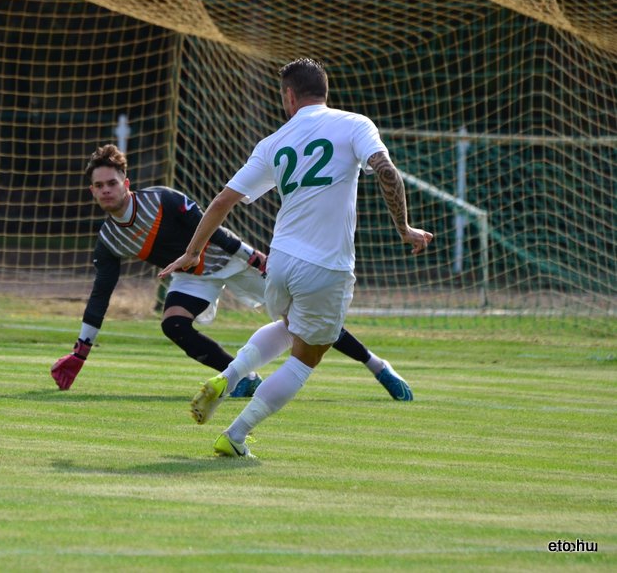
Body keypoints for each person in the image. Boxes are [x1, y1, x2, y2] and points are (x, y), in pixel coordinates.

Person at [159, 58, 433, 458]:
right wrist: (404, 227)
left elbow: (221, 201)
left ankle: (229, 376)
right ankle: (235, 435)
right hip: (325, 265)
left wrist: (192, 251)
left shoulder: (273, 142)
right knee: (307, 357)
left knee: (290, 326)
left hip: (280, 262)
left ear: (289, 96)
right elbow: (386, 172)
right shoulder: (355, 123)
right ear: (325, 90)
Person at [51, 144, 415, 402]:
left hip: (231, 259)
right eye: (99, 186)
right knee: (173, 324)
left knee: (307, 319)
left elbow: (215, 229)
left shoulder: (162, 199)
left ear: (126, 183)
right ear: (92, 191)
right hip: (192, 274)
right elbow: (101, 294)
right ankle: (244, 379)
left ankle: (378, 366)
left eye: (111, 183)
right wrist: (80, 352)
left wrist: (253, 257)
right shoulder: (108, 239)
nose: (106, 190)